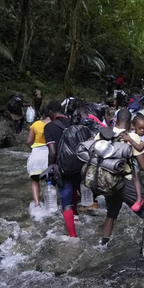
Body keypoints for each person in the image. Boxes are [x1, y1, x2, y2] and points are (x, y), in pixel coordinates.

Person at [98, 109, 144, 257]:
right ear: (131, 123)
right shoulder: (131, 136)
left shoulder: (102, 134)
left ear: (115, 120)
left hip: (106, 181)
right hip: (126, 182)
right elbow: (143, 167)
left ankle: (103, 245)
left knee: (111, 214)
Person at [44, 100, 81, 237]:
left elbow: (53, 151)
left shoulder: (49, 127)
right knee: (74, 189)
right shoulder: (73, 122)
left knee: (65, 198)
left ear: (50, 112)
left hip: (63, 167)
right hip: (78, 164)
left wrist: (50, 168)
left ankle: (72, 236)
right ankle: (76, 216)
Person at [26, 104, 51, 206]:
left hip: (36, 154)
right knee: (51, 181)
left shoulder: (35, 124)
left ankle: (37, 203)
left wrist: (33, 148)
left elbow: (28, 141)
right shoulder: (55, 124)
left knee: (35, 180)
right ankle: (51, 202)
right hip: (50, 154)